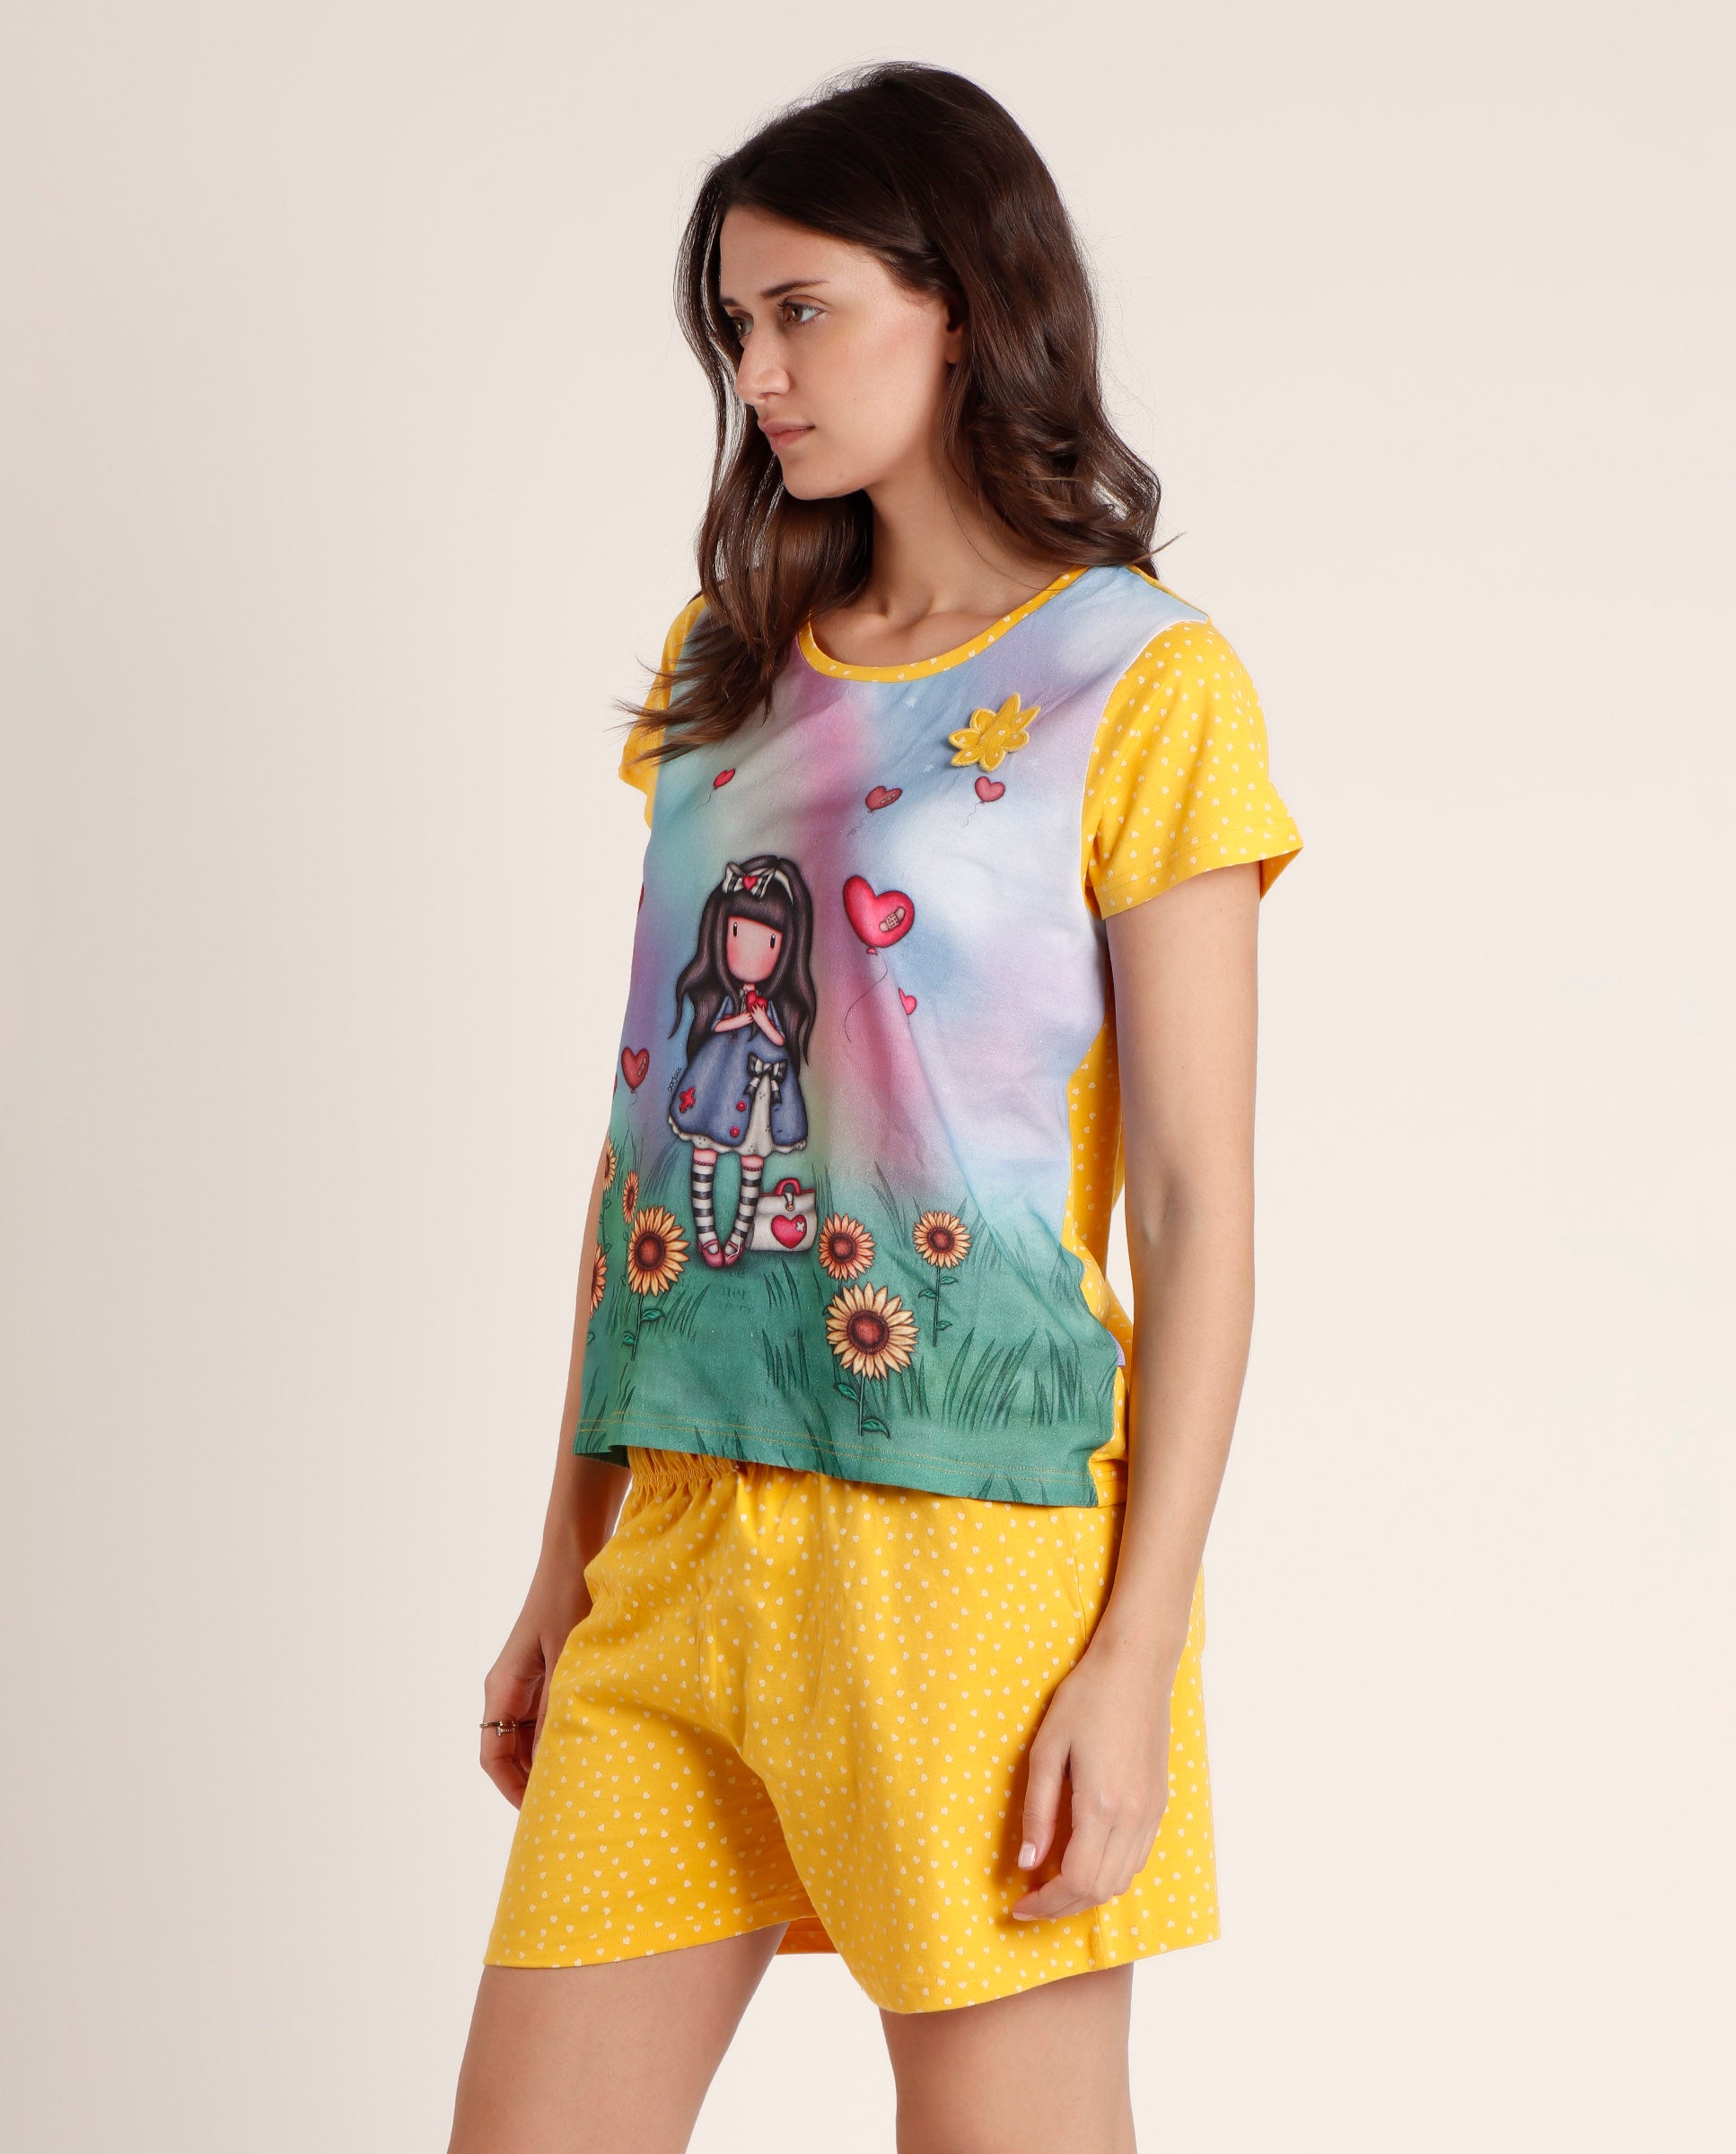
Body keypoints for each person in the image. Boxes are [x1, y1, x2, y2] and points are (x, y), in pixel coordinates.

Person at [447, 60, 1302, 2154]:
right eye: (735, 324)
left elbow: (1195, 1203)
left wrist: (1133, 1654)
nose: (758, 372)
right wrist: (565, 1557)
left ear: (964, 302)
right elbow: (645, 1140)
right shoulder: (729, 668)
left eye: (803, 311)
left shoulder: (1138, 682)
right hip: (677, 1542)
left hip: (968, 1558)